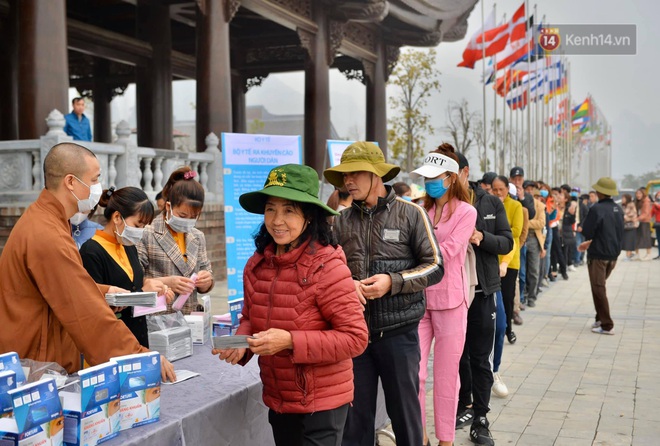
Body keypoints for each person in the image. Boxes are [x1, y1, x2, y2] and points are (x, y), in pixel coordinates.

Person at [213, 164, 368, 446]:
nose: (277, 220)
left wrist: (289, 341)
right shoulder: (258, 264)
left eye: (289, 210)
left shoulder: (327, 266)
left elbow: (355, 338)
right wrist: (241, 343)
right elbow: (250, 317)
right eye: (271, 209)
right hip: (279, 398)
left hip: (322, 403)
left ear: (309, 216)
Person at [0, 142, 175, 381]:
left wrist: (102, 292)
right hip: (36, 361)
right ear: (71, 182)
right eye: (94, 180)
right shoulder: (46, 233)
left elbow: (66, 287)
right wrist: (139, 357)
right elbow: (84, 310)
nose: (98, 188)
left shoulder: (47, 220)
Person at [323, 141, 444, 446]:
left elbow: (435, 266)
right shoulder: (340, 221)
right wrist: (346, 284)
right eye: (344, 176)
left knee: (406, 417)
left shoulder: (411, 214)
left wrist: (393, 281)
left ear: (377, 175)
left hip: (399, 333)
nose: (348, 182)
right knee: (355, 422)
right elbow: (327, 271)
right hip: (354, 334)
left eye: (355, 174)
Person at [411, 145, 477, 446]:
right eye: (426, 178)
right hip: (419, 301)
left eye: (434, 178)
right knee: (415, 374)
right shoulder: (420, 210)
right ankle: (419, 436)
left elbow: (449, 253)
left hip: (451, 301)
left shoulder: (467, 212)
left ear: (451, 178)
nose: (429, 183)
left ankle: (446, 440)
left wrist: (419, 257)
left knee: (447, 376)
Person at [457, 157, 513, 446]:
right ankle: (460, 406)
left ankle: (480, 417)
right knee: (455, 357)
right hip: (450, 296)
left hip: (482, 293)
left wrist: (482, 236)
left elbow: (507, 242)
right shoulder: (435, 206)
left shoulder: (490, 204)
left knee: (479, 358)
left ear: (464, 173)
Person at [80, 186, 174, 347]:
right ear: (117, 217)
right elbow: (93, 304)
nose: (140, 231)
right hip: (111, 343)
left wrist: (155, 291)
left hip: (138, 338)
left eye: (144, 226)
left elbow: (132, 285)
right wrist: (143, 293)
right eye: (137, 225)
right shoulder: (91, 251)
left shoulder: (128, 245)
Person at [137, 166, 214, 314]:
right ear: (168, 206)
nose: (188, 221)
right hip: (158, 318)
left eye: (194, 217)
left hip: (191, 317)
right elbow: (135, 280)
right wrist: (167, 282)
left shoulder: (197, 236)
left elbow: (206, 270)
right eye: (183, 215)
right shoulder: (147, 233)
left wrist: (206, 280)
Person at [578, 177, 624, 335]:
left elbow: (588, 231)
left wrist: (588, 240)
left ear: (600, 192)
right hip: (613, 255)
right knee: (599, 287)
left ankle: (607, 325)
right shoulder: (618, 209)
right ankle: (599, 318)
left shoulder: (596, 209)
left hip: (598, 256)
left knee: (598, 289)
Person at [491, 176, 523, 347]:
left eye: (501, 189)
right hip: (492, 259)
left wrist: (495, 233)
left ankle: (508, 329)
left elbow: (516, 231)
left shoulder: (515, 206)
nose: (498, 192)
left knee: (508, 297)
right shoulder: (489, 205)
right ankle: (496, 328)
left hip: (510, 259)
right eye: (494, 189)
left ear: (507, 189)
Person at [522, 181, 546, 308]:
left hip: (533, 239)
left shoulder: (540, 205)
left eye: (532, 189)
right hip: (522, 238)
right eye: (527, 189)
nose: (530, 191)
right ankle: (523, 295)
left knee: (533, 270)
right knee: (522, 270)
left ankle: (532, 296)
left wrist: (525, 222)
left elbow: (541, 223)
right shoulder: (519, 201)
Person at [635, 187, 653, 260]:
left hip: (645, 221)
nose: (638, 195)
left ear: (643, 194)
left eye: (639, 193)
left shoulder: (646, 201)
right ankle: (637, 254)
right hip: (639, 221)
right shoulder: (638, 201)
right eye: (637, 194)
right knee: (636, 237)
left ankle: (648, 254)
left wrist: (637, 218)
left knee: (646, 238)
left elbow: (646, 213)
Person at [621, 194, 638, 260]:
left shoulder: (630, 205)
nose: (622, 200)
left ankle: (628, 256)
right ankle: (629, 254)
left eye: (623, 198)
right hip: (627, 226)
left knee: (629, 241)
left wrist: (624, 218)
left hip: (631, 226)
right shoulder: (625, 205)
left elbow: (631, 214)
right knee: (627, 240)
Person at [652, 192, 660, 259]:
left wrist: (655, 204)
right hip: (658, 224)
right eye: (658, 196)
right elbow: (652, 213)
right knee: (658, 240)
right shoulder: (655, 205)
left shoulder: (656, 204)